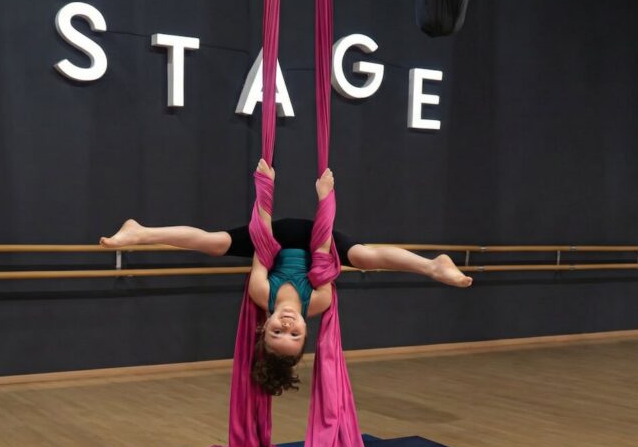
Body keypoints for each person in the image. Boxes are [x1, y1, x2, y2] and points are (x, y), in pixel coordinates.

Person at [101, 160, 472, 394]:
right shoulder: (320, 301)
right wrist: (325, 199)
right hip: (315, 241)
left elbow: (262, 244)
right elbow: (323, 249)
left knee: (216, 244)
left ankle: (141, 233)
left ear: (265, 328)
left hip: (274, 239)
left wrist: (265, 189)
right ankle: (431, 266)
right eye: (294, 335)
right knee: (362, 257)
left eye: (277, 333)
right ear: (306, 332)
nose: (287, 326)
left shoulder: (261, 294)